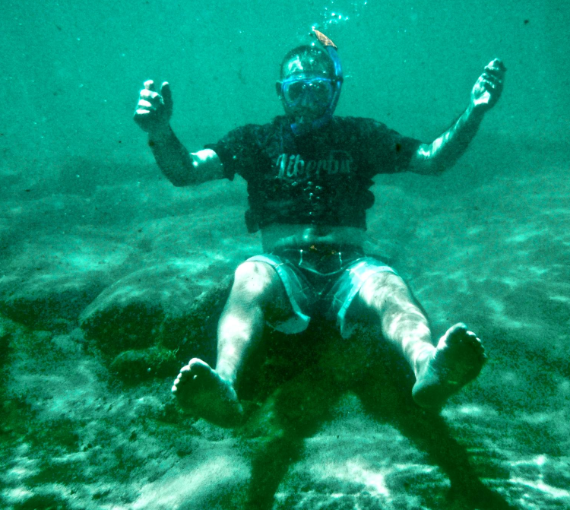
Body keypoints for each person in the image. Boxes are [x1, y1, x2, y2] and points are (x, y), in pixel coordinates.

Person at [134, 29, 505, 428]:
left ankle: (428, 366)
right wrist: (159, 132)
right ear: (281, 92)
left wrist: (475, 111)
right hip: (281, 268)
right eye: (297, 91)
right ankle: (224, 381)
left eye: (318, 90)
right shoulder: (255, 141)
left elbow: (432, 159)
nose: (308, 102)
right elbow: (186, 171)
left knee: (390, 288)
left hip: (351, 268)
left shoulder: (361, 135)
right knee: (249, 277)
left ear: (336, 90)